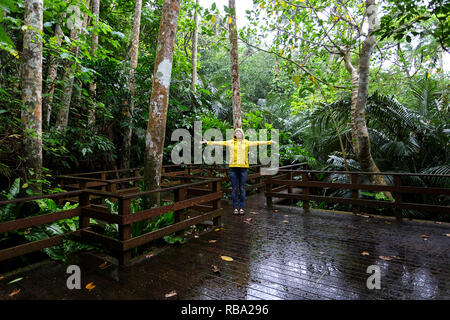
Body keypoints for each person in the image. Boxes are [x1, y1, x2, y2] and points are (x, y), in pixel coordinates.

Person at [201, 128, 276, 215]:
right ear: (234, 134)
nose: (238, 133)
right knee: (235, 189)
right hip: (233, 168)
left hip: (243, 168)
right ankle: (235, 208)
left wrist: (269, 142)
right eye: (236, 132)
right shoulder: (230, 142)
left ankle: (242, 208)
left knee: (242, 188)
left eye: (240, 132)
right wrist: (208, 142)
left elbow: (257, 143)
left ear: (242, 134)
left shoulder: (246, 142)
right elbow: (220, 143)